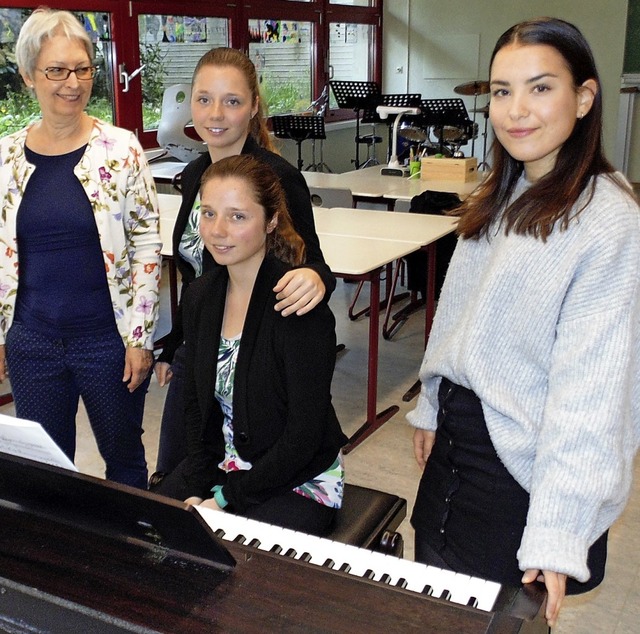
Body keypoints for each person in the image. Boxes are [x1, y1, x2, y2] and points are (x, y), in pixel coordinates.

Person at [407, 17, 640, 627]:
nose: (516, 110)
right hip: (457, 448)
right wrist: (432, 404)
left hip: (521, 474)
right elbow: (457, 314)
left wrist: (559, 534)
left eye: (540, 88)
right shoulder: (504, 191)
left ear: (585, 97)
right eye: (502, 91)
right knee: (433, 605)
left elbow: (593, 398)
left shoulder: (608, 222)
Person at [153, 47, 334, 476]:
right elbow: (195, 274)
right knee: (173, 473)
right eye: (203, 99)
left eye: (232, 101)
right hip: (198, 344)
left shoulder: (276, 177)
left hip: (249, 352)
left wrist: (314, 278)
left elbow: (315, 262)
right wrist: (173, 344)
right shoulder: (198, 173)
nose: (215, 113)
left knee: (210, 473)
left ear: (253, 107)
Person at [0, 8, 161, 489]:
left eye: (83, 68)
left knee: (125, 462)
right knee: (45, 471)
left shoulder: (122, 148)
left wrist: (140, 337)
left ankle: (131, 557)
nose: (72, 82)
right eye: (56, 70)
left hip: (107, 341)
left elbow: (147, 243)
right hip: (32, 342)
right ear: (29, 76)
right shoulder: (6, 156)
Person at [152, 154, 346, 536]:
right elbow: (195, 407)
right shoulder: (201, 296)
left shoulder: (297, 306)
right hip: (228, 464)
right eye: (208, 214)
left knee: (230, 560)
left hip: (297, 479)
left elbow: (302, 438)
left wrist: (224, 500)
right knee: (146, 528)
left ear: (271, 220)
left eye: (237, 216)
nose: (218, 230)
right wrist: (195, 484)